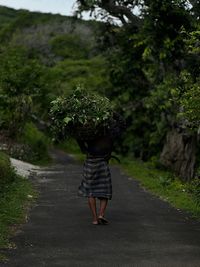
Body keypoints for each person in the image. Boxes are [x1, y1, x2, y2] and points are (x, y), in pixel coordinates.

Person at [77, 112, 125, 225]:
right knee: (105, 190)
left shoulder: (89, 131)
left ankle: (94, 218)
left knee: (90, 191)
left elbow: (78, 136)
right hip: (103, 162)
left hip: (90, 162)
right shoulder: (110, 132)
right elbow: (122, 124)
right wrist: (114, 114)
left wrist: (83, 148)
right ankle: (101, 215)